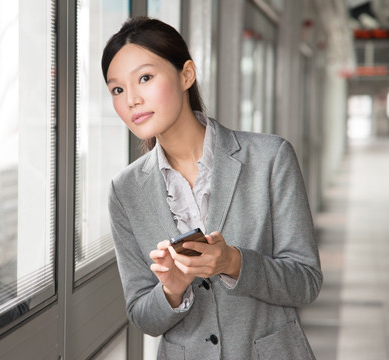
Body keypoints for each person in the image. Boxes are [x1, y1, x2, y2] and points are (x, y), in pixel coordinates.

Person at [102, 17, 322, 359]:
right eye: (117, 89)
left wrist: (233, 262)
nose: (131, 99)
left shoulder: (270, 157)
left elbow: (305, 282)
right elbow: (142, 315)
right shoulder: (125, 190)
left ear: (186, 75)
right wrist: (171, 292)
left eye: (145, 78)